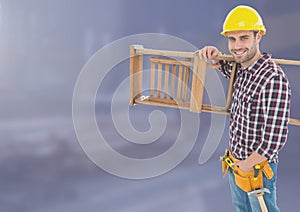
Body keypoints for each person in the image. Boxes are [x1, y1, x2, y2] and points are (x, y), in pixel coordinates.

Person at [197, 5, 291, 212]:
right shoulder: (242, 69)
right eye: (232, 39)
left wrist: (249, 164)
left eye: (244, 38)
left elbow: (275, 137)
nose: (237, 46)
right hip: (236, 165)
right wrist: (215, 54)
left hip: (257, 169)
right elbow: (227, 67)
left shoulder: (272, 78)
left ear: (258, 37)